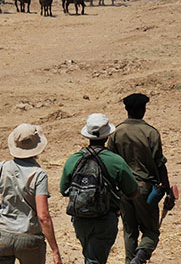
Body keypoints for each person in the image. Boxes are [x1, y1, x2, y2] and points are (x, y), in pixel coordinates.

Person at [60, 113, 139, 264]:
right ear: (107, 136)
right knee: (95, 259)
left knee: (90, 256)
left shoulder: (74, 159)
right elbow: (133, 191)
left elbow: (64, 189)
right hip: (105, 218)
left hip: (80, 218)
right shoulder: (116, 161)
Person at [0, 123, 64, 264]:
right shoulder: (39, 175)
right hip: (29, 237)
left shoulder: (1, 168)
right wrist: (55, 250)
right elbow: (43, 216)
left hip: (2, 234)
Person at [108, 93, 174, 264]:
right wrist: (168, 191)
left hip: (123, 189)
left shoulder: (116, 133)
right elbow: (160, 165)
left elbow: (111, 163)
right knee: (151, 231)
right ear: (142, 109)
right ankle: (140, 256)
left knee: (129, 231)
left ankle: (130, 260)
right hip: (145, 189)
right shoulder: (151, 133)